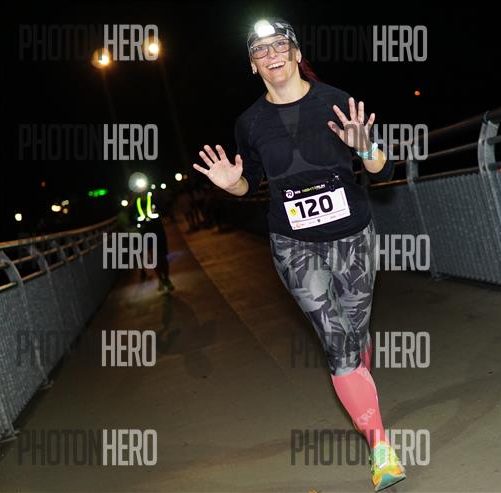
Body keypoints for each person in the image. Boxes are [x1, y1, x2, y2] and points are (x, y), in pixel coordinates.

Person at [192, 18, 405, 492]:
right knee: (336, 341)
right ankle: (381, 449)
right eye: (260, 50)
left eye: (279, 45)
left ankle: (359, 382)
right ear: (252, 65)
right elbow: (251, 183)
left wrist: (366, 146)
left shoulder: (334, 100)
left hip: (352, 237)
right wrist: (232, 185)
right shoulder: (249, 123)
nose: (271, 55)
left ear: (296, 52)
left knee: (354, 334)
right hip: (294, 245)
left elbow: (383, 169)